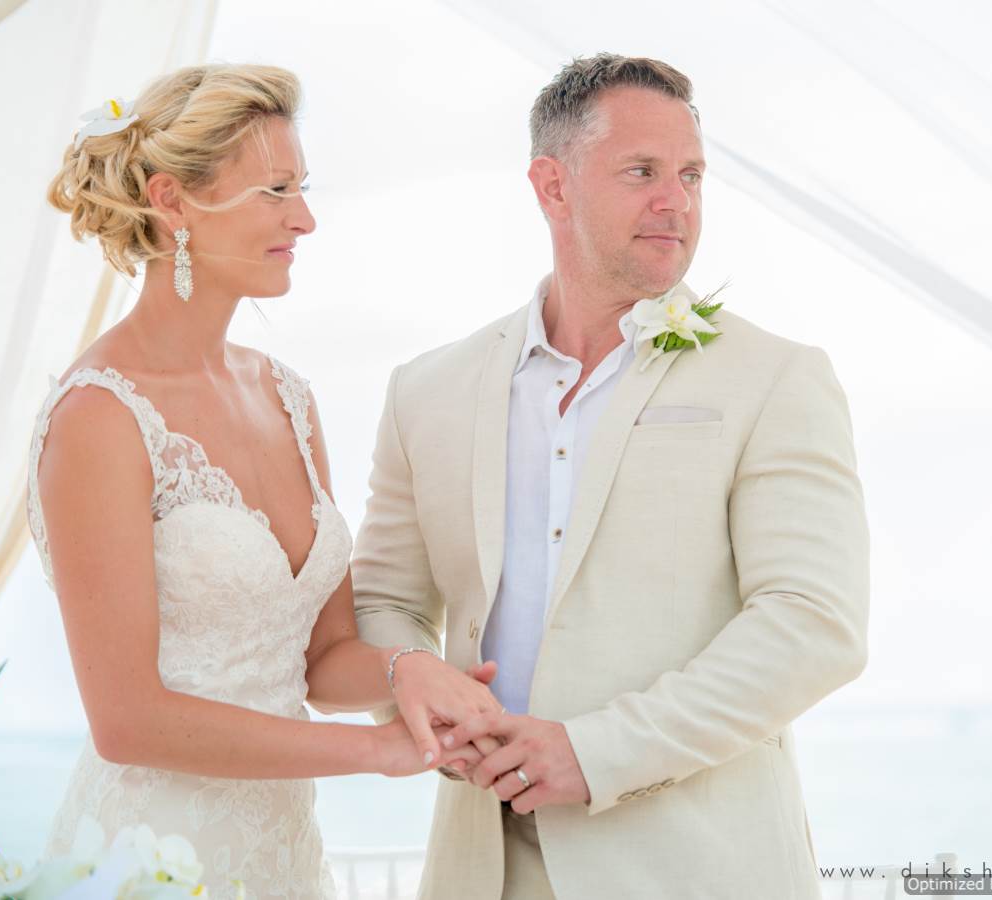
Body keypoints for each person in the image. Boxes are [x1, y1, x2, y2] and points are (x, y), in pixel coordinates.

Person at [352, 53, 871, 899]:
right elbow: (383, 603)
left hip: (694, 870)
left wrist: (594, 753)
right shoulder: (427, 390)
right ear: (552, 186)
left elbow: (814, 623)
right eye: (643, 172)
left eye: (691, 175)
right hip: (481, 867)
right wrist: (421, 686)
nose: (678, 202)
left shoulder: (776, 377)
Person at [28, 63, 495, 899]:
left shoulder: (288, 397)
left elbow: (323, 659)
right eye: (276, 191)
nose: (305, 218)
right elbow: (127, 721)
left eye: (302, 188)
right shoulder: (99, 417)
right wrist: (376, 751)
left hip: (283, 857)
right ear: (172, 202)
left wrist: (407, 671)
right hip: (148, 861)